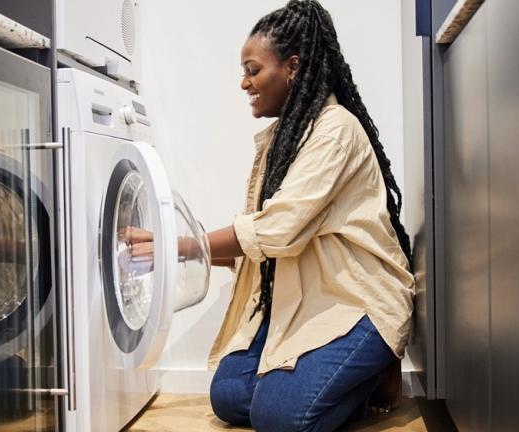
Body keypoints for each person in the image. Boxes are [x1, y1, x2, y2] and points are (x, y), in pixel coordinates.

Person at [129, 1, 414, 430]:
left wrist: (176, 245)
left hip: (357, 303)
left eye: (253, 69)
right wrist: (176, 249)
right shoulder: (283, 137)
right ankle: (341, 387)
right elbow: (257, 244)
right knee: (228, 396)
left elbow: (274, 232)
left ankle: (374, 370)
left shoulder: (335, 129)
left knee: (280, 417)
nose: (244, 83)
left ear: (293, 68)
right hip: (305, 304)